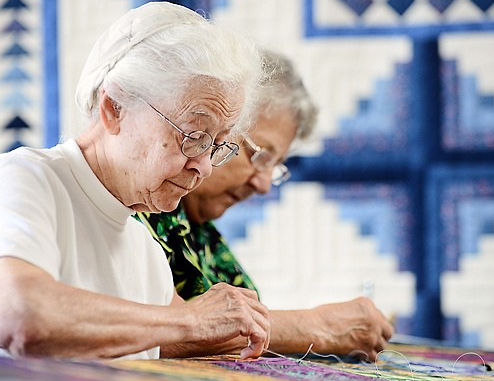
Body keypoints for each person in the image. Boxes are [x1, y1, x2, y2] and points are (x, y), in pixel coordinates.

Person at [0, 1, 271, 360]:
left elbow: (181, 335)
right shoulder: (23, 180)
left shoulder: (145, 248)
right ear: (115, 108)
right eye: (194, 135)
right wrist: (192, 320)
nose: (203, 166)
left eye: (217, 145)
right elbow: (20, 316)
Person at [137, 49, 394, 361]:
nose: (262, 185)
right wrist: (317, 327)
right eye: (261, 157)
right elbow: (154, 333)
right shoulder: (142, 203)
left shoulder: (199, 232)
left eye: (275, 167)